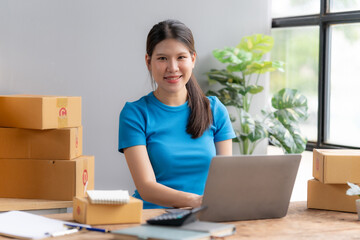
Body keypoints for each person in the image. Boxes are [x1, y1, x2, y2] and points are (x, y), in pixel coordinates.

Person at [118, 19, 235, 209]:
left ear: (193, 59)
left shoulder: (214, 110)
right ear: (148, 62)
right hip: (153, 219)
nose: (172, 68)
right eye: (162, 58)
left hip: (205, 217)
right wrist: (197, 202)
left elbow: (226, 178)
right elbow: (146, 187)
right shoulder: (135, 114)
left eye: (181, 57)